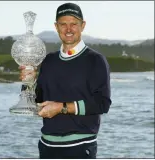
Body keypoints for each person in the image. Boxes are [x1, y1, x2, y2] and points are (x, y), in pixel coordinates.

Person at [20, 2, 112, 159]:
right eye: (63, 24)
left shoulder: (95, 60)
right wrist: (29, 82)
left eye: (73, 24)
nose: (68, 29)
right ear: (56, 27)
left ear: (82, 25)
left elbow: (102, 103)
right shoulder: (48, 60)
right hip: (47, 147)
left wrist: (61, 107)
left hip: (80, 147)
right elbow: (36, 101)